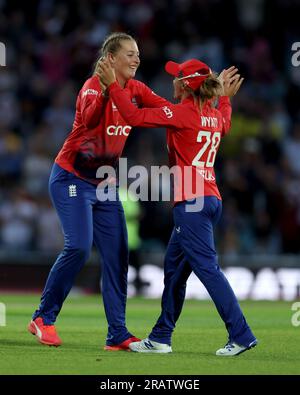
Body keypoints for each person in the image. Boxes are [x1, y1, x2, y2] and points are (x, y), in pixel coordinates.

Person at [98, 58, 258, 356]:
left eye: (176, 77)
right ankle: (160, 337)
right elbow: (224, 120)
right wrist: (224, 99)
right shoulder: (212, 114)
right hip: (210, 199)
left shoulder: (182, 113)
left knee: (207, 269)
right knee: (173, 271)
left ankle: (241, 334)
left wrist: (112, 86)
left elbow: (132, 116)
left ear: (184, 84)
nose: (172, 80)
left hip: (192, 203)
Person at [28, 32, 170, 350]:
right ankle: (43, 318)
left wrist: (191, 107)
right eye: (130, 54)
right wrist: (109, 92)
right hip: (71, 179)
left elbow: (164, 112)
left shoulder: (135, 89)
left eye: (138, 54)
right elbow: (90, 119)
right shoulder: (91, 89)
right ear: (110, 59)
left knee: (117, 255)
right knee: (78, 247)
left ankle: (117, 333)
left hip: (105, 183)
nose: (137, 58)